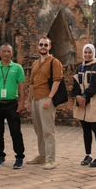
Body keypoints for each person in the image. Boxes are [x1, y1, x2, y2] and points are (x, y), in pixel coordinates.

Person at [0, 43, 26, 169]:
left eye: (9, 51)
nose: (6, 53)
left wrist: (21, 102)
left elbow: (21, 86)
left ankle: (19, 157)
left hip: (12, 103)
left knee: (15, 131)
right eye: (4, 51)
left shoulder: (17, 68)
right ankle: (0, 156)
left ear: (12, 53)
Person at [26, 36, 63, 170]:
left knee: (48, 129)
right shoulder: (35, 63)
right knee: (39, 129)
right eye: (41, 45)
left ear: (49, 47)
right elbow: (31, 83)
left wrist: (49, 98)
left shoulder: (54, 62)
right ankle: (42, 156)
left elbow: (57, 80)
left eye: (45, 45)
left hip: (46, 97)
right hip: (35, 98)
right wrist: (29, 100)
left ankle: (51, 159)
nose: (43, 47)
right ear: (38, 46)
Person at [72, 44, 96, 167]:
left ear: (93, 53)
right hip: (82, 102)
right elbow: (75, 83)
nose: (87, 54)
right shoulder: (80, 67)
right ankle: (88, 155)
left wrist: (85, 95)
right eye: (85, 52)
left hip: (93, 101)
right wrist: (78, 96)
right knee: (85, 129)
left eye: (89, 52)